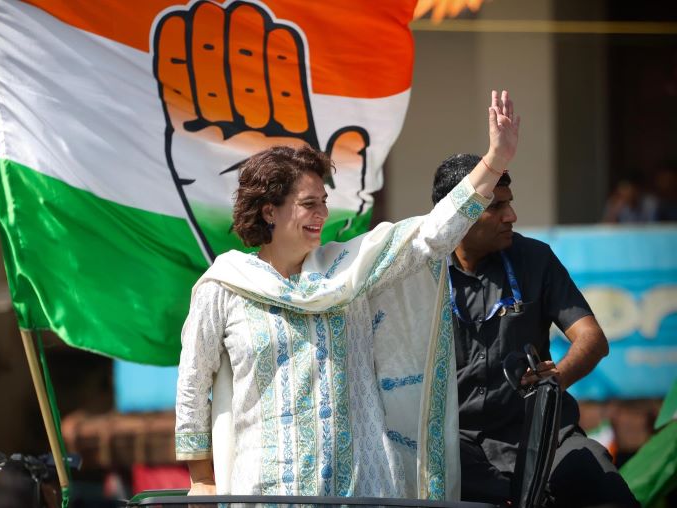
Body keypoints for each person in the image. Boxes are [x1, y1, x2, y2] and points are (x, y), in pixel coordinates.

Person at [175, 90, 521, 499]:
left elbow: (430, 234)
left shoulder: (352, 270)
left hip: (362, 488)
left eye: (323, 202)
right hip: (268, 491)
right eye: (308, 204)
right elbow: (193, 385)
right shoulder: (225, 286)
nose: (321, 214)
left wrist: (494, 161)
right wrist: (201, 479)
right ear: (270, 211)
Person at [431, 153, 640, 506]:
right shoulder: (418, 273)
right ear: (456, 216)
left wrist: (556, 378)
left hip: (544, 435)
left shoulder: (536, 259)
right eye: (495, 207)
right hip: (457, 444)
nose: (510, 216)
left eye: (509, 204)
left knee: (602, 484)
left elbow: (592, 339)